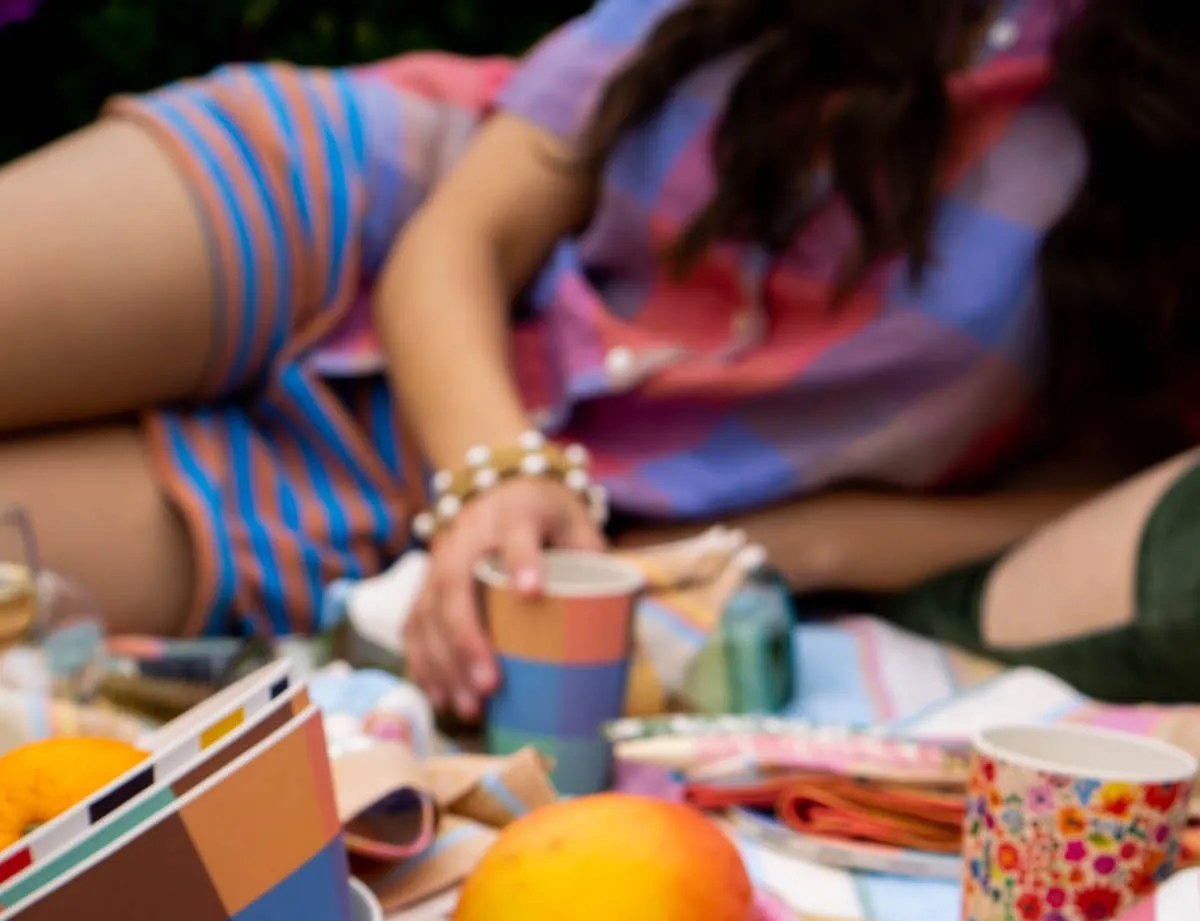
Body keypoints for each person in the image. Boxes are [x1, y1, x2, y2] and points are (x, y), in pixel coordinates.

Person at [0, 0, 1198, 710]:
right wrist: (498, 468)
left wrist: (817, 539)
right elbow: (461, 235)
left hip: (404, 511)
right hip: (354, 220)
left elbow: (1128, 500)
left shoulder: (1160, 135)